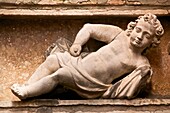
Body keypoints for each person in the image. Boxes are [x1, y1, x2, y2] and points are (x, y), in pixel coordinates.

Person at [11, 13, 164, 100]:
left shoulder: (140, 62)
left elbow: (132, 84)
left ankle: (27, 94)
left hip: (92, 82)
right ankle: (28, 85)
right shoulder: (119, 35)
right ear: (133, 27)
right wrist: (77, 44)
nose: (139, 36)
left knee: (60, 75)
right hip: (79, 63)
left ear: (153, 41)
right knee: (52, 60)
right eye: (138, 30)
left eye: (146, 35)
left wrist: (144, 74)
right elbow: (89, 28)